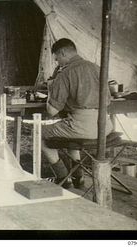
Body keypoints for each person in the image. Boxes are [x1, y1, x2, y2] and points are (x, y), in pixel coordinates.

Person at [42, 38, 113, 188]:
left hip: (83, 127)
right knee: (71, 135)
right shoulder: (97, 67)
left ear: (63, 53)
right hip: (104, 127)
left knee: (39, 134)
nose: (57, 63)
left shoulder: (65, 73)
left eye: (57, 59)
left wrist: (51, 88)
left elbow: (51, 111)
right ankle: (78, 178)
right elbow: (108, 100)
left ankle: (62, 178)